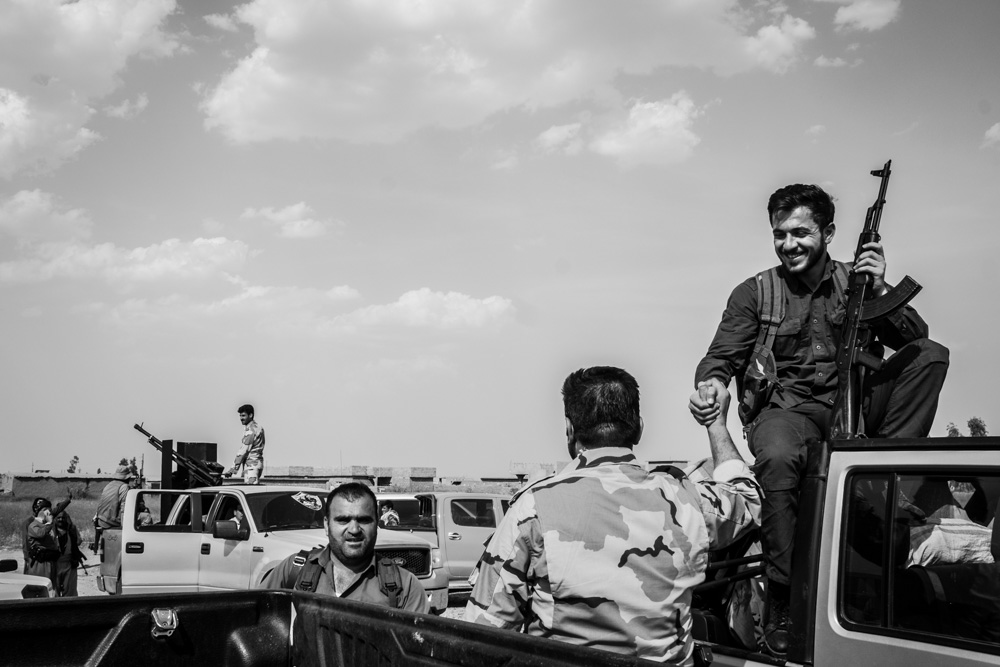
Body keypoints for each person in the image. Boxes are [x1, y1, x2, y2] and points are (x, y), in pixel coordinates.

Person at [690, 182, 949, 655]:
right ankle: (783, 596)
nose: (789, 244)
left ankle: (880, 470)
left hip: (857, 405)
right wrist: (710, 385)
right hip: (786, 410)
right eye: (780, 234)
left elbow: (914, 337)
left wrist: (881, 287)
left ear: (828, 233)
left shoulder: (857, 281)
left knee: (930, 355)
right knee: (778, 455)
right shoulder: (756, 292)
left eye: (800, 233)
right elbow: (720, 358)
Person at [465, 366, 761, 665]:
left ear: (569, 429)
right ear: (639, 428)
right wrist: (715, 424)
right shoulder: (686, 500)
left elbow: (484, 636)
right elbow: (749, 499)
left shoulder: (532, 509)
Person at [260, 483, 429, 613]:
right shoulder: (293, 570)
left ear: (376, 524)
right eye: (343, 520)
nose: (354, 530)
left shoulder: (406, 586)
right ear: (326, 525)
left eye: (364, 520)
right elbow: (256, 624)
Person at [24, 497, 67, 583]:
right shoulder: (33, 525)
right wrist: (49, 523)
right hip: (40, 563)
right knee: (41, 585)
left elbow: (58, 510)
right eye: (47, 510)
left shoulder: (46, 524)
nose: (49, 513)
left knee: (52, 585)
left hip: (50, 561)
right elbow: (41, 534)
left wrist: (68, 500)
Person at [224, 404, 266, 484]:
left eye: (243, 415)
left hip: (252, 466)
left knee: (251, 489)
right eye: (240, 416)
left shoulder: (251, 430)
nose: (241, 418)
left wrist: (232, 469)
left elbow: (243, 451)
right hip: (256, 463)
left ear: (250, 415)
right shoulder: (258, 427)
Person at [53, 511, 86, 597]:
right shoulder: (51, 530)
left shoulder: (71, 530)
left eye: (63, 518)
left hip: (69, 563)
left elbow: (78, 541)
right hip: (54, 563)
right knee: (54, 591)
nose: (61, 520)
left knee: (70, 590)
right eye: (58, 518)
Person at [96, 465, 136, 531]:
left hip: (101, 520)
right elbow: (124, 509)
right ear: (127, 478)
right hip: (111, 521)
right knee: (146, 517)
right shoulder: (124, 487)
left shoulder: (109, 485)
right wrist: (124, 528)